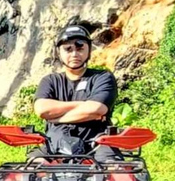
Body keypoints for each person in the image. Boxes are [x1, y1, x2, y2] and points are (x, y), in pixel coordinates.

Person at [32, 24, 119, 161]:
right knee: (30, 171)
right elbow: (42, 109)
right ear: (58, 52)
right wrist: (85, 106)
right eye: (68, 49)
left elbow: (97, 108)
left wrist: (56, 118)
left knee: (115, 172)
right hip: (53, 142)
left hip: (97, 142)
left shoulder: (103, 77)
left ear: (89, 50)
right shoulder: (50, 81)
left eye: (80, 48)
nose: (74, 54)